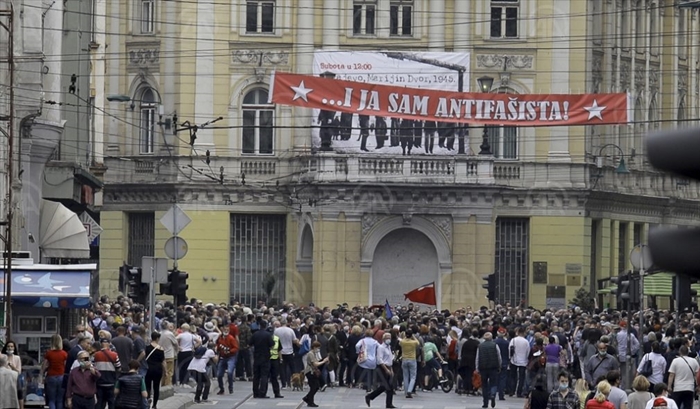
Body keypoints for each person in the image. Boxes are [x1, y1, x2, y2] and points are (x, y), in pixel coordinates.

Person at [364, 333, 396, 409]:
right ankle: (369, 396)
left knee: (390, 387)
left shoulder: (389, 347)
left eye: (390, 338)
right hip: (382, 367)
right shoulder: (381, 348)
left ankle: (389, 403)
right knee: (385, 386)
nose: (389, 339)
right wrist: (386, 369)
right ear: (383, 339)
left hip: (388, 367)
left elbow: (389, 359)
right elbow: (380, 360)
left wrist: (391, 369)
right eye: (387, 338)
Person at [476, 332, 502, 409]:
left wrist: (477, 368)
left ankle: (485, 402)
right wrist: (499, 366)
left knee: (484, 385)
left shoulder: (480, 346)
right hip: (493, 367)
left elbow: (477, 358)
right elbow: (498, 356)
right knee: (493, 382)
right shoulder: (495, 345)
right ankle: (493, 394)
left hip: (483, 367)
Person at [93, 338, 121, 409]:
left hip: (99, 382)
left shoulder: (96, 355)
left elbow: (92, 367)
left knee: (100, 401)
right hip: (111, 382)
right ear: (109, 344)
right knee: (111, 402)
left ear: (101, 344)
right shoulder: (114, 355)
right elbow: (119, 367)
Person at [42, 334, 68, 409]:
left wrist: (42, 374)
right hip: (61, 376)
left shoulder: (49, 353)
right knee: (60, 400)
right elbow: (66, 366)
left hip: (51, 376)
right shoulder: (64, 354)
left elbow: (45, 365)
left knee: (51, 400)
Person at [250, 319, 274, 398]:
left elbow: (250, 343)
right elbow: (272, 345)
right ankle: (262, 392)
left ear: (259, 325)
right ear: (266, 326)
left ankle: (255, 392)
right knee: (264, 375)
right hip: (265, 357)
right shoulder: (268, 335)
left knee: (256, 375)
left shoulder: (255, 334)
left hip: (257, 356)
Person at [302, 341, 328, 408]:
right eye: (318, 348)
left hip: (312, 371)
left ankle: (308, 398)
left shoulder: (313, 353)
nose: (318, 349)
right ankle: (310, 401)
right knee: (314, 387)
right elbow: (315, 364)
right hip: (310, 372)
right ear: (314, 347)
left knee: (315, 387)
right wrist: (324, 361)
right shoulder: (310, 354)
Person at [215, 324, 239, 395]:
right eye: (225, 330)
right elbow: (217, 345)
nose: (226, 331)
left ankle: (230, 388)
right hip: (222, 357)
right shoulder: (220, 338)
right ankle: (221, 389)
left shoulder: (231, 338)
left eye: (227, 330)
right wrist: (217, 349)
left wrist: (229, 351)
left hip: (230, 357)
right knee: (219, 375)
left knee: (229, 372)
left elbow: (235, 348)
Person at [144, 332, 165, 409]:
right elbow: (163, 361)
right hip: (158, 369)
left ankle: (148, 399)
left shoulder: (147, 348)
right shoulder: (161, 349)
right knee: (156, 387)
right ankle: (154, 405)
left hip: (148, 368)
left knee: (147, 386)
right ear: (157, 338)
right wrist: (165, 372)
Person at [399, 329, 420, 398]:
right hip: (412, 359)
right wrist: (413, 336)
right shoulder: (413, 342)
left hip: (404, 359)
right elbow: (418, 343)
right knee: (413, 376)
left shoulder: (402, 342)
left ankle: (406, 391)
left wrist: (406, 336)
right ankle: (409, 390)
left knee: (405, 376)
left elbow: (400, 342)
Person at [3, 340, 23, 409]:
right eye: (8, 346)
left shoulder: (17, 358)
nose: (10, 348)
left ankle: (21, 407)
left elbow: (19, 371)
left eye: (11, 346)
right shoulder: (3, 357)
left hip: (15, 378)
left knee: (19, 391)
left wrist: (12, 366)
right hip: (5, 378)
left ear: (14, 348)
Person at [268, 326, 284, 398]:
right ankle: (277, 393)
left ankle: (263, 392)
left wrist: (280, 358)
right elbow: (279, 350)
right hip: (273, 359)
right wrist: (280, 358)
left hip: (270, 359)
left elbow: (279, 349)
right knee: (274, 377)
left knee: (269, 377)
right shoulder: (276, 338)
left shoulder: (274, 338)